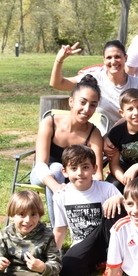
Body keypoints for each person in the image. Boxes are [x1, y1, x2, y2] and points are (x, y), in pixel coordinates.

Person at [31, 74, 105, 227]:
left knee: (66, 172)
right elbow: (40, 164)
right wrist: (56, 187)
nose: (87, 109)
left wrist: (95, 195)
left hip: (75, 178)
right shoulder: (50, 122)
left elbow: (97, 172)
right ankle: (57, 229)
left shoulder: (94, 133)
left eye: (93, 105)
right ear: (71, 101)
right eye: (83, 102)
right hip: (45, 175)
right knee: (57, 169)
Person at [52, 145, 125, 276]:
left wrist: (119, 198)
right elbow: (60, 229)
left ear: (94, 169)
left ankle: (115, 261)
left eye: (85, 167)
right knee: (67, 271)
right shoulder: (61, 195)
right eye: (73, 168)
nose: (80, 173)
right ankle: (98, 263)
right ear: (65, 172)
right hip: (84, 243)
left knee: (117, 205)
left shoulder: (106, 188)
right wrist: (51, 258)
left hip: (108, 239)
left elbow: (128, 212)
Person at [50, 40, 138, 128]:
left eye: (117, 57)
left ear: (126, 58)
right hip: (98, 137)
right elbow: (58, 84)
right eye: (109, 57)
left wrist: (112, 134)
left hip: (127, 135)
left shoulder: (136, 84)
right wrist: (59, 59)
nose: (113, 61)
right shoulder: (93, 79)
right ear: (104, 60)